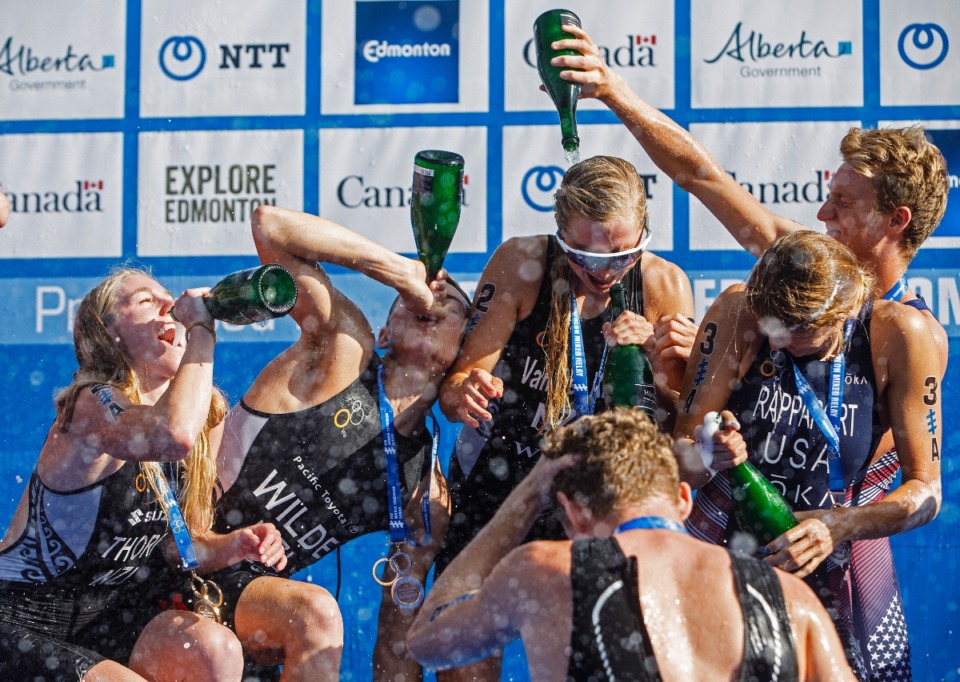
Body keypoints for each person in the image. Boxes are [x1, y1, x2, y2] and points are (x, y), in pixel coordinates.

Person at [551, 24, 949, 373]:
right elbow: (702, 178)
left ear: (896, 221)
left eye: (844, 202)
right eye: (830, 196)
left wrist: (724, 367)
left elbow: (866, 461)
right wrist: (612, 90)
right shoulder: (806, 261)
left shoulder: (915, 334)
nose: (822, 212)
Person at [434, 155, 695, 678]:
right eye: (582, 255)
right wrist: (466, 393)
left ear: (645, 232)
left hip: (599, 497)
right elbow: (457, 385)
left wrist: (662, 365)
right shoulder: (521, 264)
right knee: (465, 648)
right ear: (558, 235)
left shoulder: (664, 283)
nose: (602, 271)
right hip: (503, 479)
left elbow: (678, 420)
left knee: (590, 657)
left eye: (622, 255)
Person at [207, 205, 471, 680]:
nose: (435, 296)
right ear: (387, 331)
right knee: (315, 611)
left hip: (241, 604)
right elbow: (271, 226)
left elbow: (397, 638)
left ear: (463, 352)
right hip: (171, 545)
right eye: (420, 296)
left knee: (312, 619)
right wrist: (401, 273)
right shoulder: (343, 352)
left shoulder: (425, 492)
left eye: (452, 301)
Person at [407, 407, 856, 681]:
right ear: (682, 499)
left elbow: (427, 641)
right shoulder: (791, 599)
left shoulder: (546, 570)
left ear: (575, 513)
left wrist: (524, 498)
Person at [672, 232, 943, 680]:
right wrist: (706, 453)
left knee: (873, 673)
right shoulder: (737, 312)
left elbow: (926, 491)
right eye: (769, 328)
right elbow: (679, 455)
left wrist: (838, 525)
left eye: (794, 333)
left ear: (840, 313)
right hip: (730, 527)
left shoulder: (901, 334)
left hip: (843, 538)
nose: (775, 345)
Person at [0, 268, 285, 681]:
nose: (169, 306)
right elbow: (172, 435)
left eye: (169, 299)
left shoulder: (205, 414)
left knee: (214, 649)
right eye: (145, 301)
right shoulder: (89, 404)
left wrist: (233, 546)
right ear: (107, 334)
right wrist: (203, 329)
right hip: (19, 617)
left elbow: (180, 546)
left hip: (110, 614)